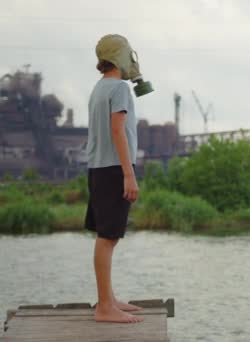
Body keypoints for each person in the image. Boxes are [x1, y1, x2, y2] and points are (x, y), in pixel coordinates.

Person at [84, 34, 152, 323]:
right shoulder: (121, 89)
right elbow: (117, 131)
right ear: (121, 57)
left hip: (97, 169)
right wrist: (129, 174)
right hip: (114, 169)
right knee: (108, 237)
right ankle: (104, 307)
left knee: (106, 236)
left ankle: (109, 299)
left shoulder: (99, 88)